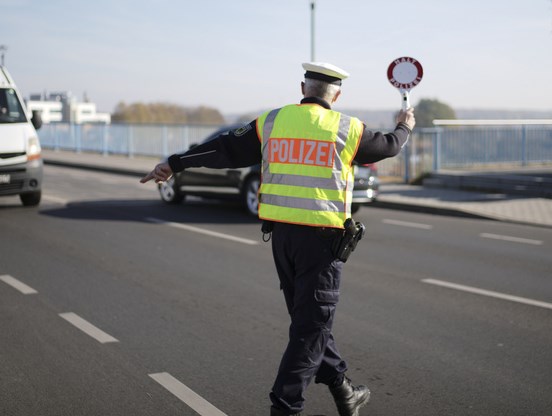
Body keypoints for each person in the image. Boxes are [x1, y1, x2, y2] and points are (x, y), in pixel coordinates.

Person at [140, 62, 415, 416]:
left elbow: (223, 148)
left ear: (303, 89)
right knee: (310, 330)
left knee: (308, 323)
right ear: (337, 95)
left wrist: (175, 163)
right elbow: (391, 146)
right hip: (323, 243)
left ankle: (343, 388)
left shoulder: (272, 122)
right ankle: (285, 408)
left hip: (283, 238)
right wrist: (405, 124)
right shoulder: (347, 129)